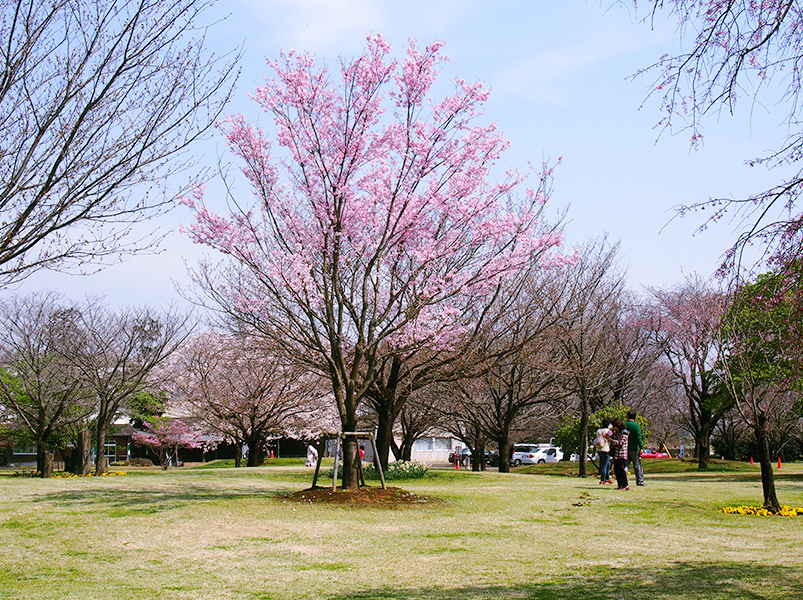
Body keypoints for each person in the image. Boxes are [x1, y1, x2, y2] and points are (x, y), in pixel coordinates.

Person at [624, 409, 645, 486]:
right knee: (637, 465)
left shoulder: (624, 425)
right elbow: (638, 437)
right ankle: (639, 481)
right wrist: (641, 447)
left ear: (627, 416)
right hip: (635, 449)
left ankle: (624, 481)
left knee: (626, 465)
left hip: (625, 448)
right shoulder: (636, 426)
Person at [607, 418, 630, 490]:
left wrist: (612, 441)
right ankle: (620, 485)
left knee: (621, 470)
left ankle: (625, 485)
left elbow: (620, 443)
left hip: (622, 454)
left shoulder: (624, 433)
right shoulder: (617, 433)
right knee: (616, 470)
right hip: (616, 454)